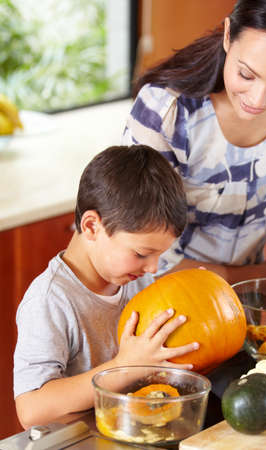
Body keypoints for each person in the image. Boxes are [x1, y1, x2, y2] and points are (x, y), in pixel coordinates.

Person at [122, 0, 266, 284]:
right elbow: (148, 257)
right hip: (167, 297)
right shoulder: (165, 111)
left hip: (245, 294)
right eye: (246, 74)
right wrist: (263, 275)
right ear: (227, 35)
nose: (257, 100)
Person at [13, 145, 199, 428]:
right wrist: (124, 368)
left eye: (160, 255)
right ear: (91, 227)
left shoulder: (137, 280)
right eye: (141, 254)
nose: (153, 268)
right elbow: (31, 409)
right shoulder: (50, 301)